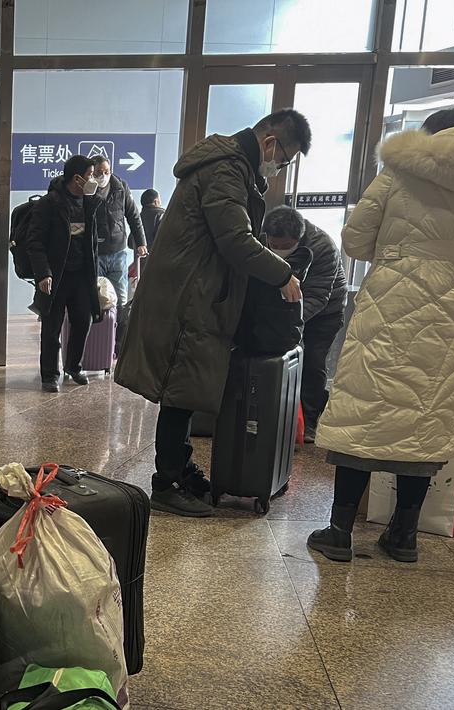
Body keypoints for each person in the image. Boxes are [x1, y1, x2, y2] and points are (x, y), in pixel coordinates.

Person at [309, 109, 454, 563]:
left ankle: (339, 531)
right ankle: (404, 535)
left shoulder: (401, 168)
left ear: (429, 134)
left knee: (364, 408)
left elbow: (354, 240)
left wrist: (397, 256)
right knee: (428, 412)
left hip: (389, 298)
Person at [115, 109, 309, 517]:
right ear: (269, 142)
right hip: (188, 297)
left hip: (196, 293)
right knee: (179, 391)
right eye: (284, 160)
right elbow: (235, 239)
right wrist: (282, 274)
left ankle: (179, 469)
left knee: (185, 391)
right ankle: (167, 482)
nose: (279, 169)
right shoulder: (226, 169)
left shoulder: (233, 168)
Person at [260, 206, 348, 443]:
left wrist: (288, 322)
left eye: (285, 246)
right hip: (284, 307)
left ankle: (309, 421)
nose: (279, 251)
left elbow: (318, 296)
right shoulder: (260, 238)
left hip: (324, 312)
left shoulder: (322, 247)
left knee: (313, 360)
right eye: (273, 245)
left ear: (299, 239)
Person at [29, 155, 105, 393]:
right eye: (91, 175)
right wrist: (43, 273)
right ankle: (49, 374)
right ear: (77, 178)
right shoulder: (50, 203)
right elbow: (35, 242)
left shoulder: (90, 203)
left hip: (82, 275)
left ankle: (73, 366)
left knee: (84, 318)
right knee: (51, 327)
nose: (94, 179)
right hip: (56, 275)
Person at [91, 155, 146, 322]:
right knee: (97, 297)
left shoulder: (120, 187)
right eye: (99, 172)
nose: (103, 175)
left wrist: (141, 242)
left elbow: (133, 216)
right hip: (96, 253)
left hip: (118, 252)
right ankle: (97, 339)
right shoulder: (88, 190)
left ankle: (118, 339)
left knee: (120, 298)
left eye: (106, 171)